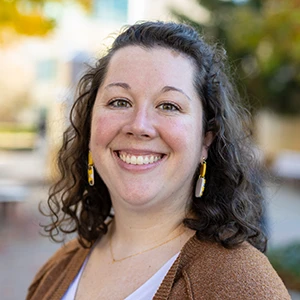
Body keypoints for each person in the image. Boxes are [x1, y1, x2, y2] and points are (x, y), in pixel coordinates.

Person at [26, 21, 290, 300]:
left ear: (205, 140)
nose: (139, 125)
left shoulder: (243, 287)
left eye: (169, 105)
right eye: (119, 101)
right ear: (90, 125)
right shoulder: (59, 267)